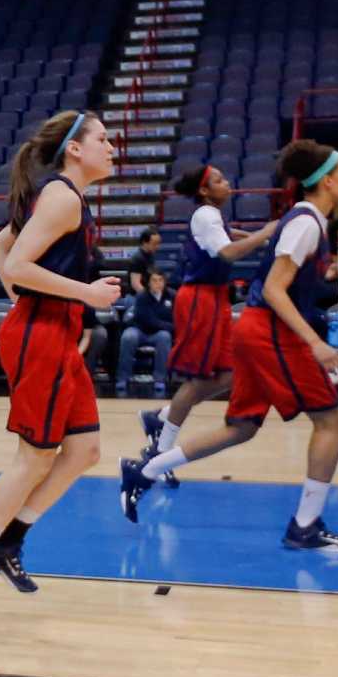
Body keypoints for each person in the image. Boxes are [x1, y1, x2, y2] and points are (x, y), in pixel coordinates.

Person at [120, 140, 338, 551]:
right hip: (270, 332)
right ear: (326, 182)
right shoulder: (305, 222)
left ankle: (145, 470)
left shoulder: (309, 222)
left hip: (255, 329)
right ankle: (305, 525)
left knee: (243, 427)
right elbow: (272, 288)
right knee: (330, 419)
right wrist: (315, 343)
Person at [0, 110, 119, 621]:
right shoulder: (62, 196)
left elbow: (2, 246)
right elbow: (15, 263)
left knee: (83, 450)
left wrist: (29, 293)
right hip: (41, 333)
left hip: (52, 327)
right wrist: (82, 293)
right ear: (75, 149)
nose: (113, 148)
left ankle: (8, 540)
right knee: (35, 457)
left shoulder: (66, 197)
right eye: (103, 139)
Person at [139, 163, 274, 461]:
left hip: (213, 297)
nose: (227, 183)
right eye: (219, 179)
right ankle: (160, 450)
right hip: (200, 298)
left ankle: (160, 417)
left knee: (227, 375)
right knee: (198, 378)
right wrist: (265, 231)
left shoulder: (213, 217)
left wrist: (261, 238)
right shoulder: (205, 214)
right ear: (204, 190)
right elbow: (226, 252)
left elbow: (228, 234)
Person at [115, 268, 173, 395]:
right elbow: (147, 320)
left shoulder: (172, 296)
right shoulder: (142, 297)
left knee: (165, 337)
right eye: (154, 280)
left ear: (164, 282)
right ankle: (123, 378)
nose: (157, 283)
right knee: (128, 337)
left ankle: (160, 379)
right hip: (139, 329)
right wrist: (168, 326)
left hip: (159, 333)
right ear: (149, 283)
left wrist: (168, 326)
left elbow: (176, 318)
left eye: (160, 280)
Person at [124, 226, 162, 293]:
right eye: (154, 244)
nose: (157, 246)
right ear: (145, 243)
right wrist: (148, 297)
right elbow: (136, 284)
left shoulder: (150, 256)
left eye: (158, 243)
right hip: (136, 297)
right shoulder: (137, 259)